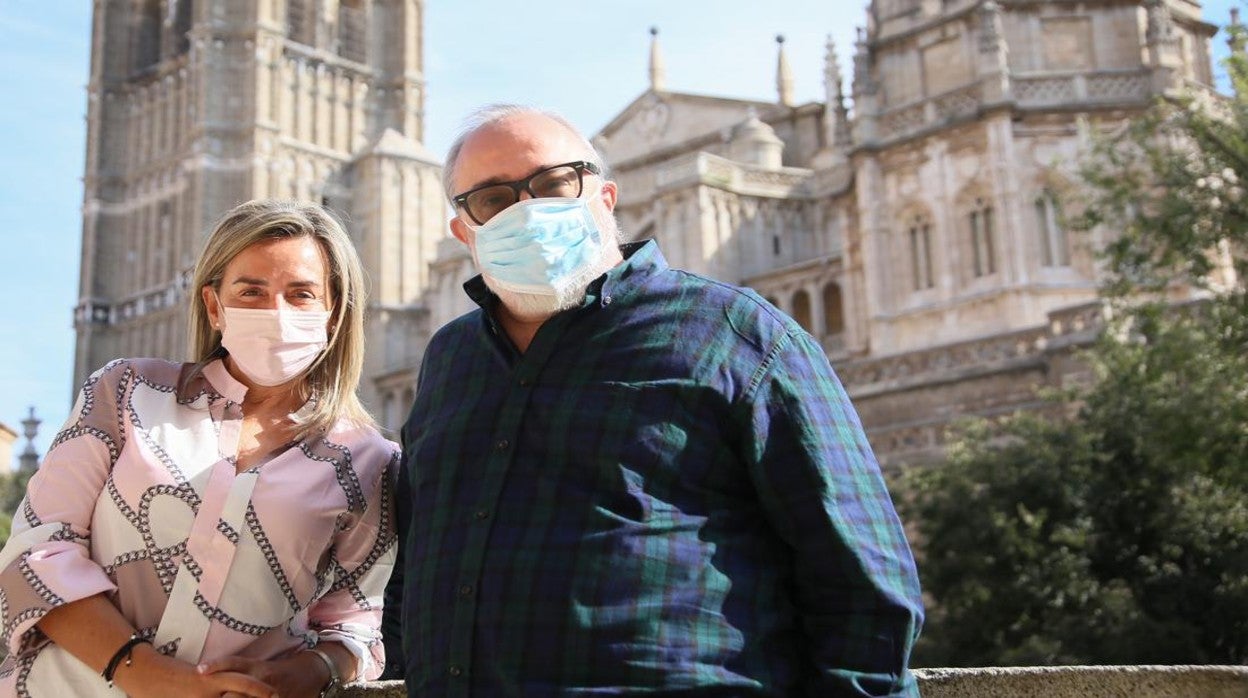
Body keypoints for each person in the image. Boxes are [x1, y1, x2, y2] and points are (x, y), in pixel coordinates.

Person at [388, 104, 924, 696]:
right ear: (464, 230)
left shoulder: (739, 334)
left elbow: (862, 582)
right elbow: (412, 562)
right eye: (493, 199)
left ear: (606, 196)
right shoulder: (449, 359)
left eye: (553, 183)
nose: (529, 210)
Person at [0, 199, 398, 697]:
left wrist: (305, 674)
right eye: (251, 291)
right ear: (214, 306)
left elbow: (353, 623)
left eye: (301, 294)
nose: (276, 311)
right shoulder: (125, 393)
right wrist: (142, 672)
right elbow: (38, 552)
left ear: (333, 314)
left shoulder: (368, 461)